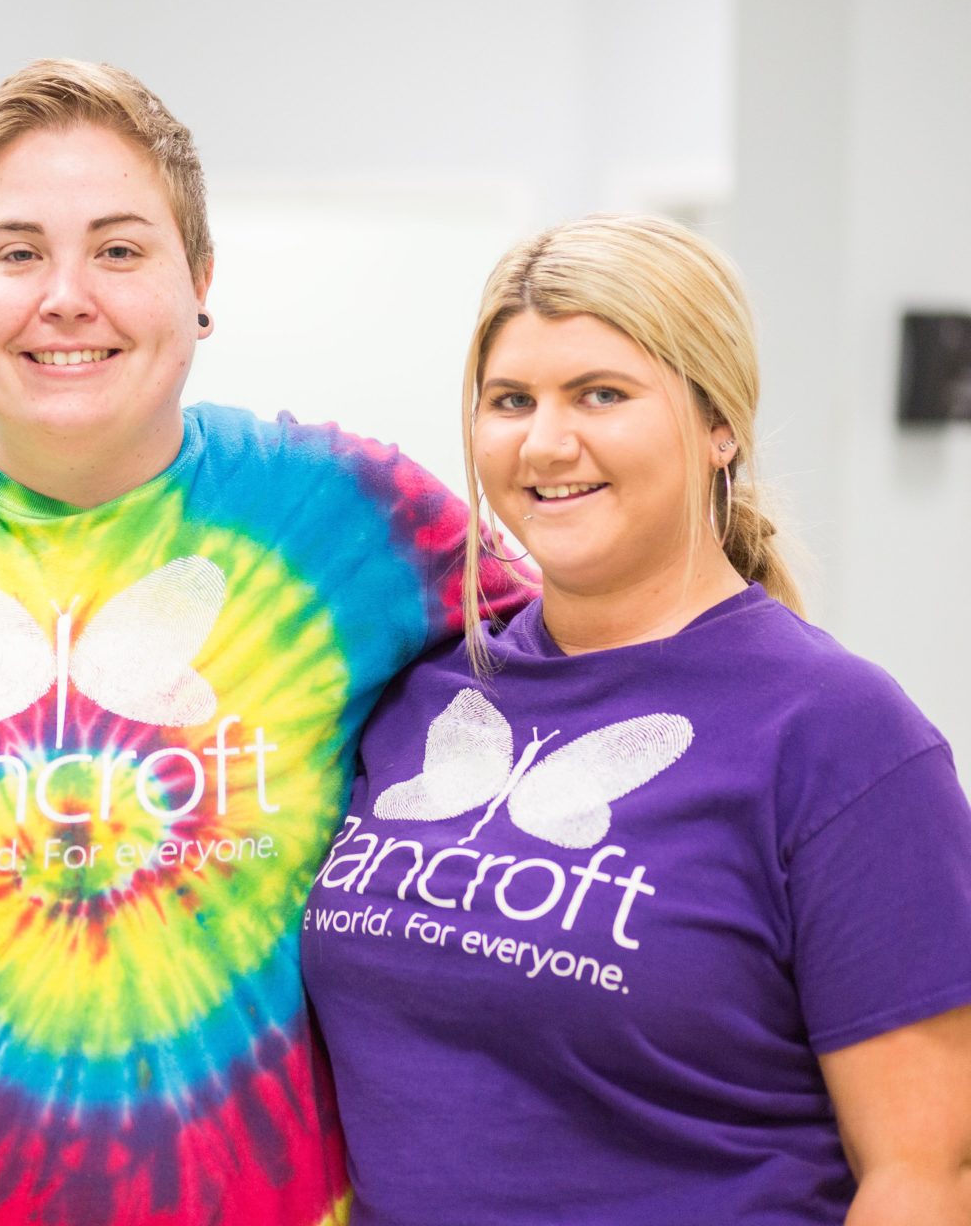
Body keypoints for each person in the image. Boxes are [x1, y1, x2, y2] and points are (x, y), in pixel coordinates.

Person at [0, 59, 533, 1224]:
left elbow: (601, 656)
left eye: (119, 250)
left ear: (201, 281)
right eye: (17, 252)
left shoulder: (347, 518)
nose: (66, 295)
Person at [302, 214, 971, 1224]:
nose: (545, 441)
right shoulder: (422, 691)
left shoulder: (840, 735)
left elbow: (926, 1173)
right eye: (510, 399)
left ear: (720, 424)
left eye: (601, 394)